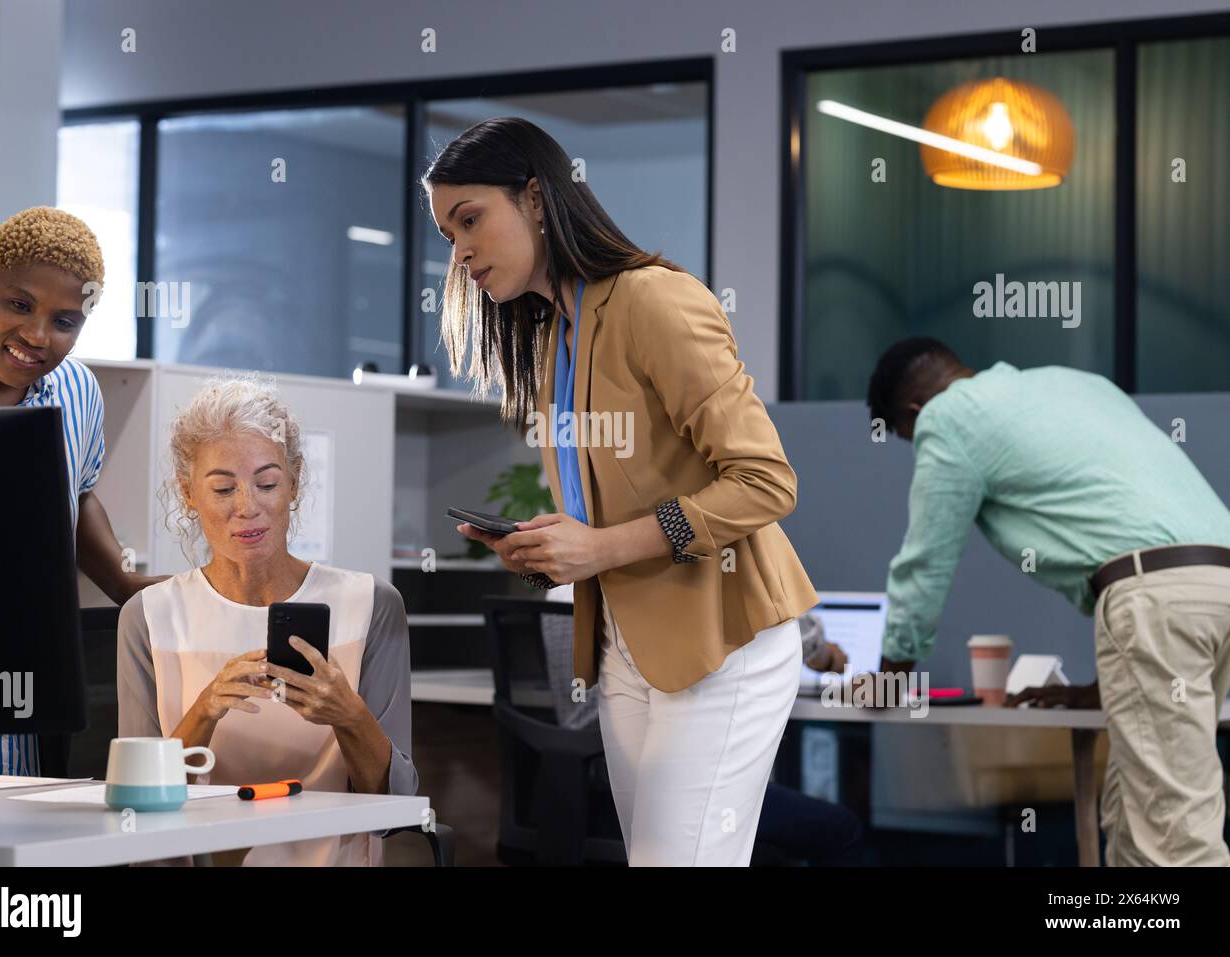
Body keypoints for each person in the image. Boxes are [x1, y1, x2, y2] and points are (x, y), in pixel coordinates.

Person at [424, 116, 825, 866]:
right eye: (448, 234)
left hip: (721, 639)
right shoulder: (556, 337)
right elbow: (610, 514)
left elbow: (766, 481)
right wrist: (551, 551)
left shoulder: (651, 301)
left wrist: (600, 545)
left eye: (471, 219)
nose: (461, 251)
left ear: (537, 199)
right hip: (626, 646)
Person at [866, 337, 1230, 866]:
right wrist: (1111, 686)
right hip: (1215, 582)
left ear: (914, 412)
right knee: (1135, 817)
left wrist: (891, 675)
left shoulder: (947, 417)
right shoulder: (1076, 384)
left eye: (907, 435)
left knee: (1174, 842)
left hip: (1155, 601)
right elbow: (1129, 509)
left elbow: (926, 563)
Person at [116, 374, 417, 866]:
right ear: (188, 493)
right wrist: (205, 710)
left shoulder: (372, 605)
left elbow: (395, 808)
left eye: (267, 483)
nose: (247, 508)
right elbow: (135, 808)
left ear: (294, 485)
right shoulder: (148, 616)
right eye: (222, 488)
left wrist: (348, 714)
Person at [0, 206, 165, 775]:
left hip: (28, 668)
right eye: (18, 305)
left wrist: (124, 585)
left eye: (64, 321)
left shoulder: (77, 389)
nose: (37, 336)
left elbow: (77, 495)